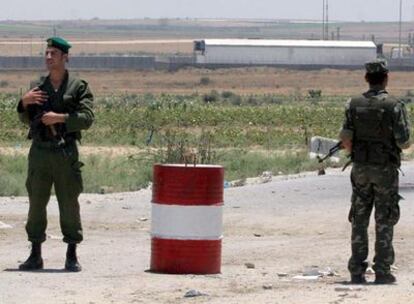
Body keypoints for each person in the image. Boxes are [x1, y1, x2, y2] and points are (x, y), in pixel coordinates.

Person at [16, 37, 94, 272]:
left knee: (69, 203)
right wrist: (23, 103)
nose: (49, 58)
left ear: (65, 57)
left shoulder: (78, 87)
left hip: (65, 152)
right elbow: (25, 119)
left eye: (54, 54)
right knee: (36, 202)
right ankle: (35, 254)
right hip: (40, 152)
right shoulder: (37, 87)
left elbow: (87, 119)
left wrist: (60, 118)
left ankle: (71, 254)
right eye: (47, 53)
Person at [340, 59, 410, 284]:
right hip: (385, 171)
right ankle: (382, 270)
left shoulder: (353, 103)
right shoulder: (394, 105)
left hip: (360, 169)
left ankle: (357, 271)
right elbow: (404, 142)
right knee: (384, 218)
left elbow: (346, 139)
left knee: (359, 218)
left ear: (366, 78)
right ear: (386, 77)